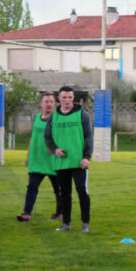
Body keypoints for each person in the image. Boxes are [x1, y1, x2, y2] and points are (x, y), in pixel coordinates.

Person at [44, 86, 93, 233]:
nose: (67, 100)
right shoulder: (54, 117)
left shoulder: (82, 115)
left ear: (73, 98)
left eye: (70, 97)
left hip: (79, 162)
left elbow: (89, 137)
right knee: (64, 193)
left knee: (81, 191)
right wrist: (55, 150)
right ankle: (66, 223)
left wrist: (86, 157)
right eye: (64, 97)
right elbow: (47, 137)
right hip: (61, 163)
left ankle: (85, 223)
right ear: (59, 98)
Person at [17, 92, 62, 222]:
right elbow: (33, 138)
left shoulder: (57, 119)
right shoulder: (37, 118)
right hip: (37, 160)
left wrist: (53, 148)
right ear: (41, 104)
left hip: (53, 161)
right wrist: (28, 155)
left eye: (51, 102)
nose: (49, 104)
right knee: (31, 187)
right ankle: (26, 213)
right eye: (46, 101)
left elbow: (61, 138)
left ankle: (60, 213)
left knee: (58, 189)